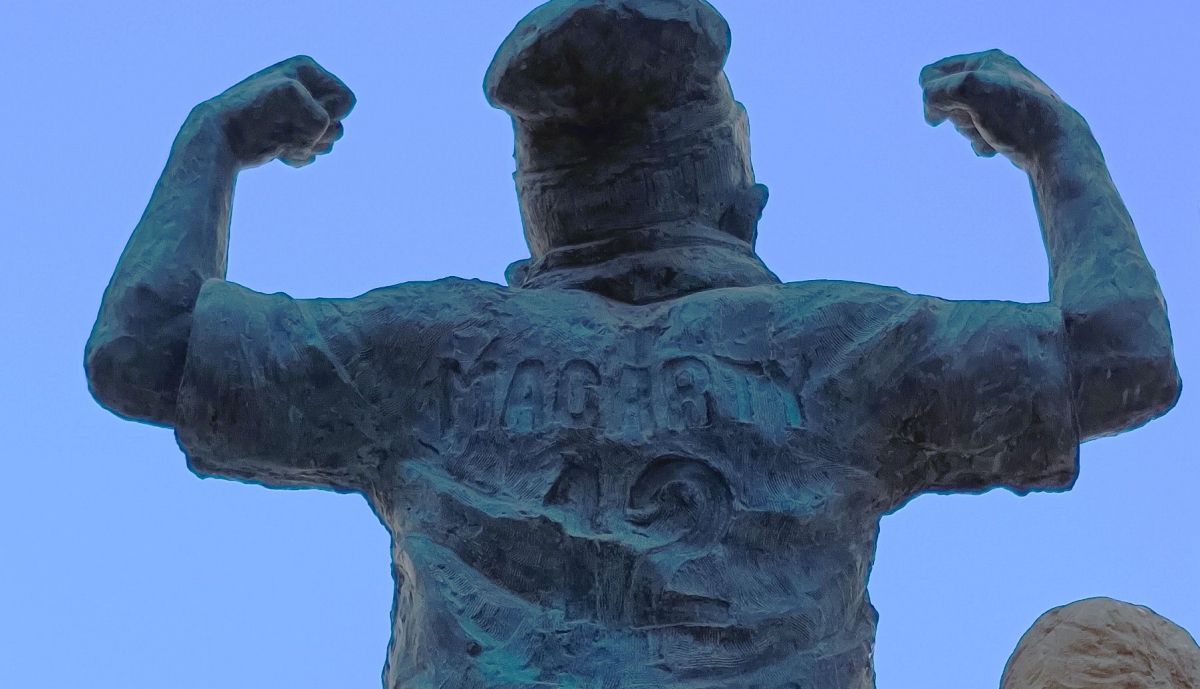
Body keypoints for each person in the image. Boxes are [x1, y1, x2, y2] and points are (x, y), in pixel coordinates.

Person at [84, 1, 1181, 687]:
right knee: (1099, 645)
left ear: (541, 205)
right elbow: (1123, 357)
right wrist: (1056, 149)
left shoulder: (416, 349)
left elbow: (140, 350)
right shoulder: (846, 345)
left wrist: (211, 146)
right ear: (732, 187)